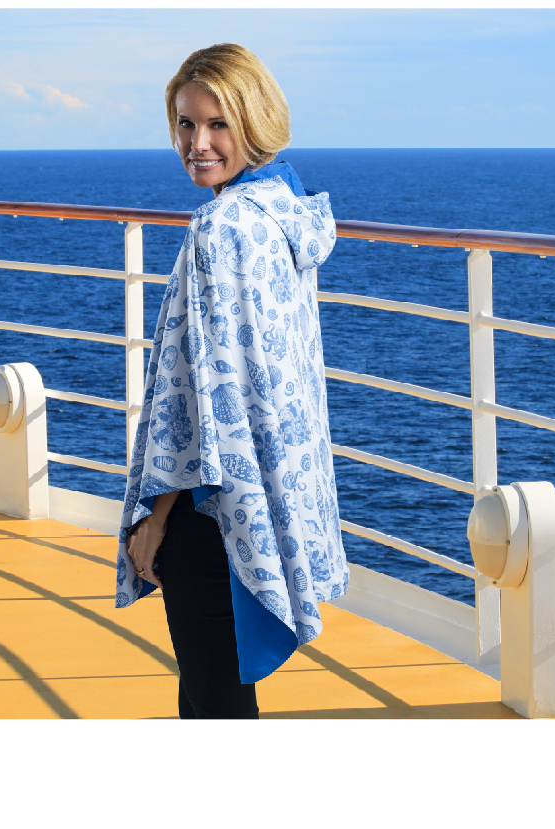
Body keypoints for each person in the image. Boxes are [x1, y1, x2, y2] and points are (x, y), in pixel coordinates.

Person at [116, 43, 349, 719]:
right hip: (265, 487)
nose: (197, 143)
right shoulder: (282, 206)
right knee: (224, 688)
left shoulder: (220, 228)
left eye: (217, 124)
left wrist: (153, 519)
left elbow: (199, 397)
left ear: (252, 121)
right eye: (186, 125)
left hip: (209, 498)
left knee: (211, 694)